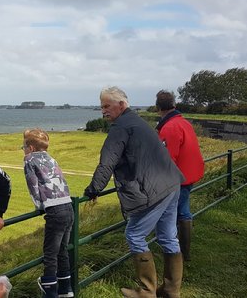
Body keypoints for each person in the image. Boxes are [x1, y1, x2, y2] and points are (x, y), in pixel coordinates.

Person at [83, 86, 186, 298]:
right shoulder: (138, 121)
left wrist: (93, 190)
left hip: (154, 190)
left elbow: (106, 163)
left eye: (107, 106)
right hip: (171, 183)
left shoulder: (120, 127)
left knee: (135, 234)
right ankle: (171, 290)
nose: (103, 111)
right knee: (168, 236)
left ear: (121, 105)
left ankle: (147, 291)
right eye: (101, 106)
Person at [22, 128, 74, 298]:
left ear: (30, 148)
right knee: (62, 251)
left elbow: (32, 184)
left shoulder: (29, 159)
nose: (23, 150)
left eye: (23, 147)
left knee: (50, 255)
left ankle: (50, 293)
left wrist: (39, 205)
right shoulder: (52, 158)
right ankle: (66, 291)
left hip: (55, 209)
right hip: (68, 206)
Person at [155, 90, 205, 261]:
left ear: (158, 107)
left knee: (178, 213)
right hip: (190, 173)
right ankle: (183, 251)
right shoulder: (183, 122)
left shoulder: (169, 127)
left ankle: (179, 253)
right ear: (174, 104)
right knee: (183, 211)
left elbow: (167, 159)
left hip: (179, 178)